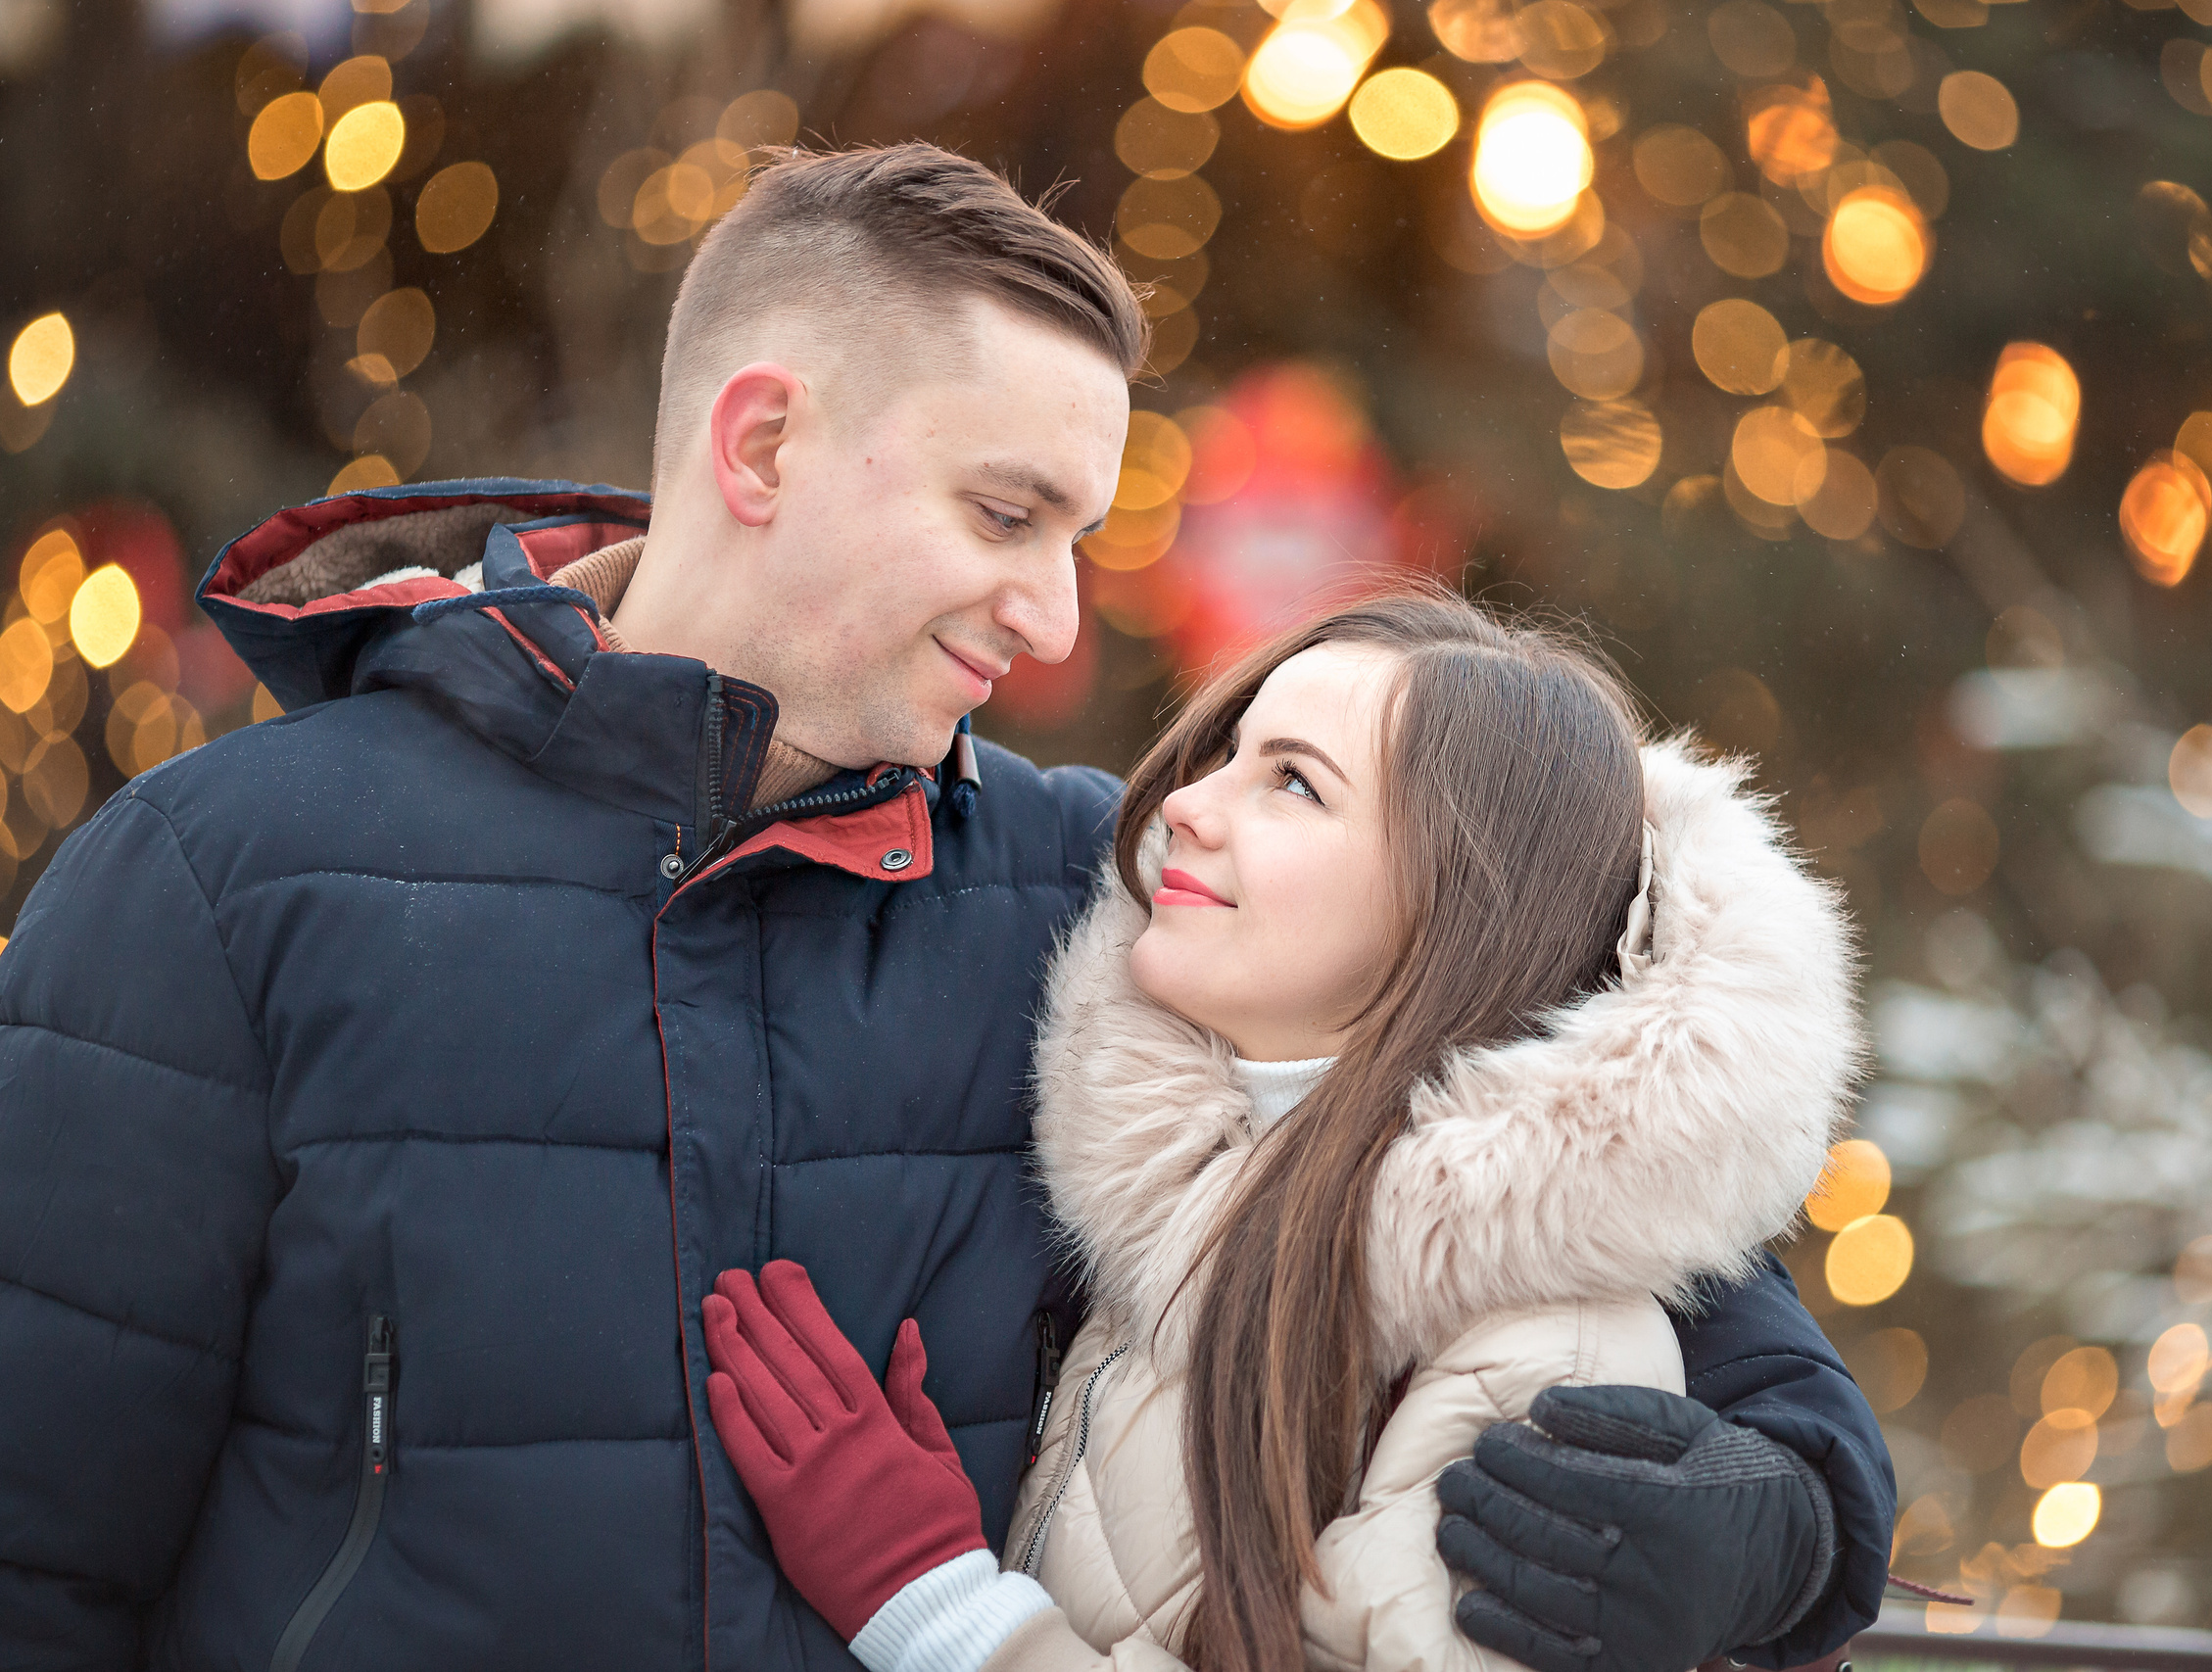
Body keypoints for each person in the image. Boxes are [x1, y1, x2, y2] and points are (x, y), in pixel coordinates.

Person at [0, 145, 1887, 1671]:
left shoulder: (1097, 898)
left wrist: (1781, 1525)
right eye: (1007, 517)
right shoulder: (224, 880)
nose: (1059, 616)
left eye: (1081, 535)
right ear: (760, 447)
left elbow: (1578, 1177)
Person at [698, 594, 1872, 1672]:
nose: (1181, 809)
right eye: (1227, 756)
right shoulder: (1166, 1176)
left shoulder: (1547, 1348)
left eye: (1294, 783)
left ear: (1462, 906)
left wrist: (937, 1604)